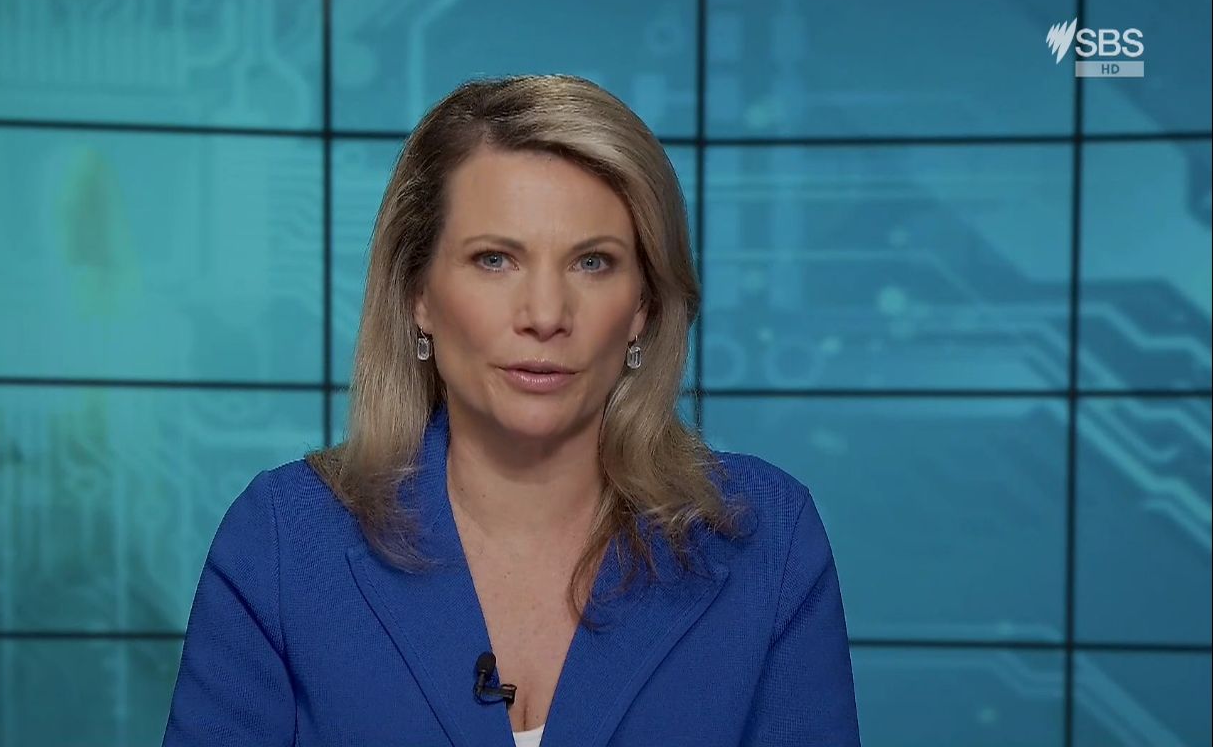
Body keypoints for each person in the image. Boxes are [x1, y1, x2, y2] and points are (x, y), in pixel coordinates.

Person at [162, 74, 860, 747]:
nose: (545, 314)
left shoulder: (764, 538)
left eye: (593, 262)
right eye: (495, 259)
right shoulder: (284, 542)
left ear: (642, 307)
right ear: (418, 295)